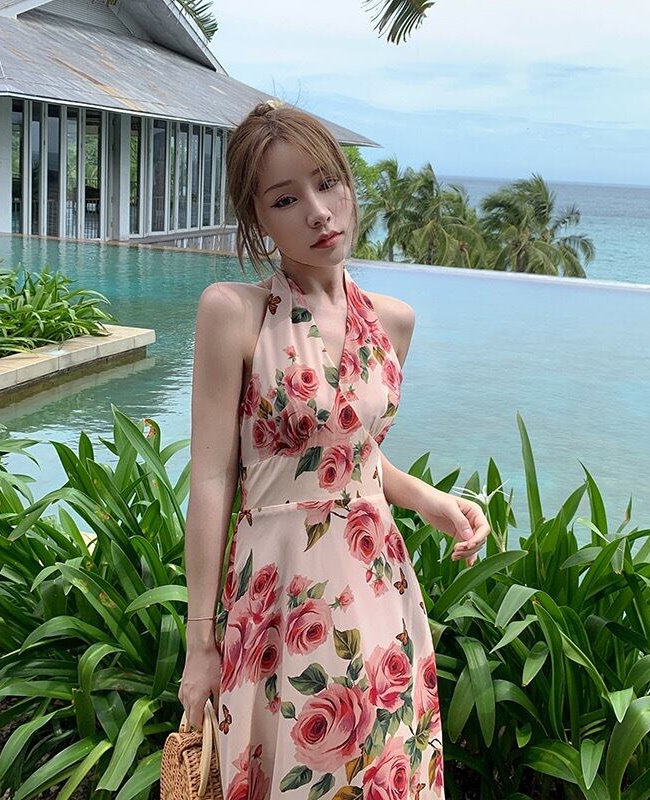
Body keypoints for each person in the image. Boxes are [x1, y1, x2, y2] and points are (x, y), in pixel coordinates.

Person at [179, 99, 491, 800]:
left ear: (349, 184)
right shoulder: (233, 312)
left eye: (327, 183)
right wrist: (200, 642)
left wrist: (434, 503)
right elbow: (212, 478)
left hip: (377, 587)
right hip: (278, 595)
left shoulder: (393, 322)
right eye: (286, 199)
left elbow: (350, 455)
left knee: (380, 769)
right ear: (258, 219)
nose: (319, 212)